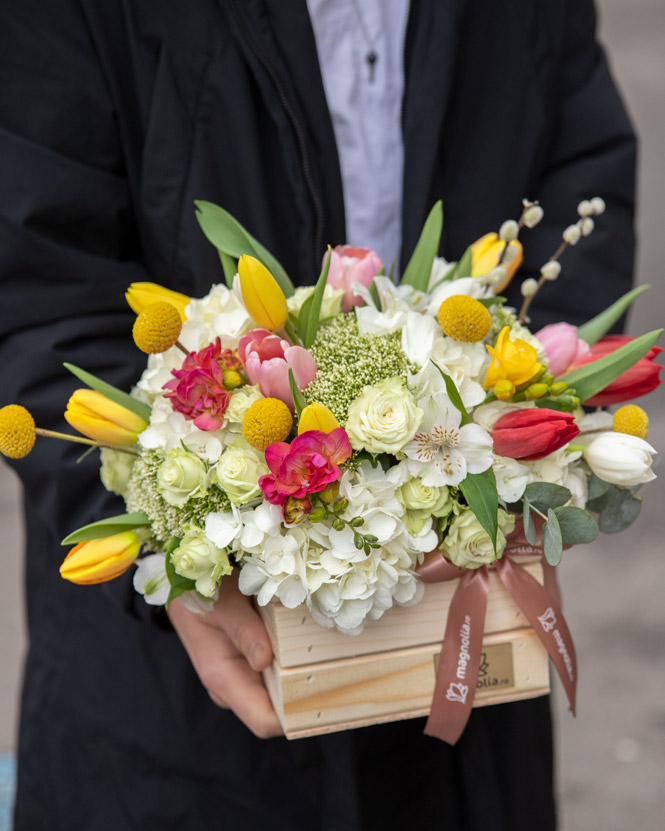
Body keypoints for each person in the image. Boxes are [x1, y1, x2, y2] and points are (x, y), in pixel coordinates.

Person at [0, 1, 636, 828]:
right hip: (170, 695)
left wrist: (533, 443)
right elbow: (36, 281)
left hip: (461, 647)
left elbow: (579, 168)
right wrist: (166, 552)